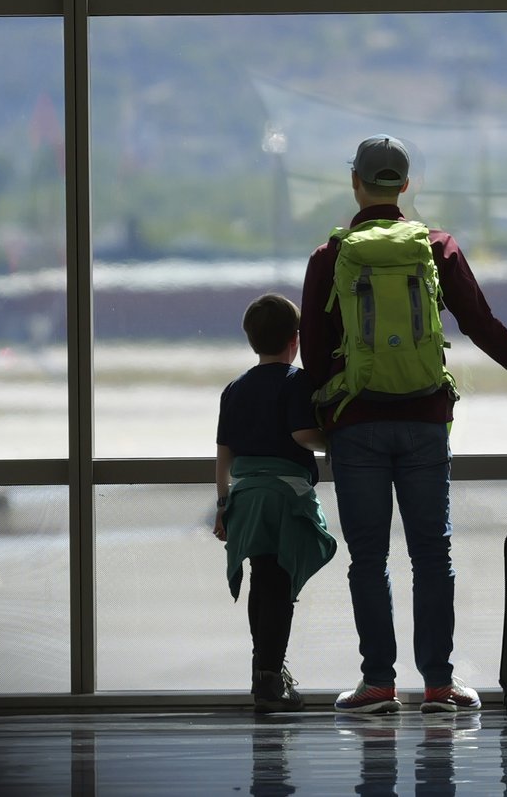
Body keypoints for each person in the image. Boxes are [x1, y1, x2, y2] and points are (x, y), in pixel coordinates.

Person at [300, 134, 507, 715]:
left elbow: (314, 355)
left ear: (356, 184)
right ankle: (439, 686)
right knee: (431, 556)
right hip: (423, 419)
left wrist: (327, 417)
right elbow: (479, 322)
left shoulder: (330, 256)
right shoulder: (436, 247)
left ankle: (377, 685)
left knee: (368, 558)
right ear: (406, 186)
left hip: (356, 422)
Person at [215, 292, 338, 713]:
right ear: (295, 340)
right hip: (283, 498)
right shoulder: (296, 382)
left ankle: (263, 670)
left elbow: (224, 456)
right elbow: (303, 435)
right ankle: (270, 679)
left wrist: (222, 506)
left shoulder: (234, 389)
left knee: (260, 578)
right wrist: (334, 443)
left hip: (246, 498)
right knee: (279, 584)